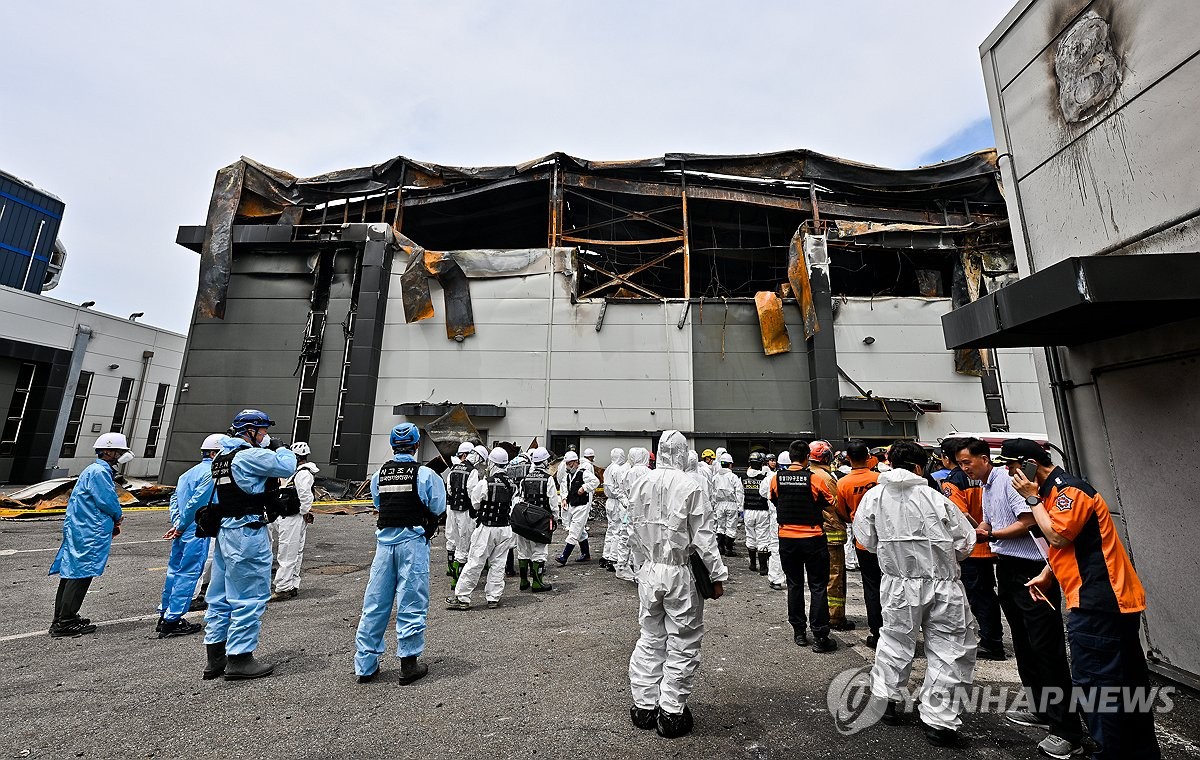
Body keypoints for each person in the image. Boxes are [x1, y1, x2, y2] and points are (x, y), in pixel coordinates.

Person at [1004, 439, 1159, 759]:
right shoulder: (1053, 494)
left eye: (1011, 465)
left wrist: (1031, 497)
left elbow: (1059, 535)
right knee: (1128, 687)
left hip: (1098, 602)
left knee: (1098, 690)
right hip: (1109, 600)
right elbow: (1072, 544)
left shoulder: (1067, 491)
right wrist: (1049, 573)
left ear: (1030, 465)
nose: (1009, 472)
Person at [957, 438, 1085, 758]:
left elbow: (1029, 522)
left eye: (966, 462)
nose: (963, 468)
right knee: (1025, 644)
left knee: (1046, 646)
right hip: (1009, 568)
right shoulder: (989, 485)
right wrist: (981, 529)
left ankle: (1067, 729)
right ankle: (1042, 709)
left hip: (1034, 568)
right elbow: (991, 520)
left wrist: (991, 535)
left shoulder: (1019, 485)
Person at [853, 440, 978, 748]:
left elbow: (865, 539)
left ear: (889, 462)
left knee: (895, 640)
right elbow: (965, 542)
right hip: (943, 585)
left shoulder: (874, 497)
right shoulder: (937, 498)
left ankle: (888, 701)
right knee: (950, 649)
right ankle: (940, 721)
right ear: (921, 466)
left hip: (898, 584)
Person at [171, 409, 297, 681]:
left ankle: (215, 658)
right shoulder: (250, 455)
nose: (265, 436)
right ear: (250, 430)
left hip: (226, 532)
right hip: (247, 532)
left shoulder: (221, 459)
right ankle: (240, 657)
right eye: (262, 430)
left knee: (219, 597)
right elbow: (287, 466)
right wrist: (282, 447)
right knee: (249, 595)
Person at [627, 430, 728, 739]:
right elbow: (704, 538)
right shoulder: (690, 484)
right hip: (680, 572)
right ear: (684, 453)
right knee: (682, 642)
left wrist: (639, 565)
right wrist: (717, 575)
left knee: (650, 637)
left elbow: (630, 528)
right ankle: (671, 712)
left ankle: (644, 706)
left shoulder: (640, 481)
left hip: (650, 570)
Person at [355, 423, 447, 684]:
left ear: (393, 446)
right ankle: (408, 664)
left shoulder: (379, 476)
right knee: (411, 602)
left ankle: (365, 665)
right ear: (417, 446)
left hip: (384, 546)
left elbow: (378, 503)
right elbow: (438, 507)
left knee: (374, 604)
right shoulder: (427, 475)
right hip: (413, 544)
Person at [48, 432, 132, 638]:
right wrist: (118, 515)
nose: (120, 456)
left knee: (71, 572)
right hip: (90, 530)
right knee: (81, 574)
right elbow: (107, 500)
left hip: (82, 527)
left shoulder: (94, 470)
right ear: (108, 451)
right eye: (119, 452)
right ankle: (65, 622)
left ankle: (62, 617)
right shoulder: (99, 472)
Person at [939, 437, 1004, 661]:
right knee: (989, 595)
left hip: (974, 547)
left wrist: (977, 533)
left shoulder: (953, 481)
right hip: (995, 544)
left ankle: (991, 642)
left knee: (979, 597)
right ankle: (992, 639)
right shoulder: (989, 477)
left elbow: (960, 515)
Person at [770, 440, 838, 653]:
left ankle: (799, 632)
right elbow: (830, 502)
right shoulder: (815, 479)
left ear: (790, 457)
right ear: (807, 457)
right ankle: (820, 634)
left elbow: (774, 500)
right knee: (818, 586)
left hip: (787, 539)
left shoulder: (776, 479)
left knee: (794, 584)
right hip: (813, 538)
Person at [156, 434, 222, 638]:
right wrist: (183, 525)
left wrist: (178, 524)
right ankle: (173, 620)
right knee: (188, 574)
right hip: (196, 530)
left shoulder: (187, 474)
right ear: (213, 453)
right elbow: (196, 503)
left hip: (184, 531)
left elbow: (175, 500)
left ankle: (164, 613)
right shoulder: (212, 473)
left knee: (174, 572)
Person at [447, 447, 517, 610]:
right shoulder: (512, 484)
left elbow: (475, 503)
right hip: (505, 528)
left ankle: (463, 597)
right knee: (498, 565)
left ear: (492, 463)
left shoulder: (485, 483)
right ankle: (493, 597)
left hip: (487, 527)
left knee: (475, 562)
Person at [837, 440, 882, 647]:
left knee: (871, 586)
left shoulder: (843, 483)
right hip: (888, 539)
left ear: (848, 458)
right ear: (868, 456)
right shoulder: (880, 479)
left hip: (863, 540)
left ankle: (877, 631)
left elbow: (843, 513)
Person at [810, 440, 853, 632]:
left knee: (819, 578)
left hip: (814, 533)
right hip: (832, 534)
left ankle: (822, 613)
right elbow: (837, 505)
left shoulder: (808, 473)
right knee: (835, 577)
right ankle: (835, 617)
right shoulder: (826, 478)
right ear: (826, 457)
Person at [269, 441, 318, 602]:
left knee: (287, 552)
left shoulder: (303, 473)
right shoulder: (297, 472)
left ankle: (283, 587)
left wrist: (304, 511)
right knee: (294, 551)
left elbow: (305, 496)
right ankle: (290, 584)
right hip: (292, 516)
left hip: (292, 517)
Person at [514, 447, 558, 592]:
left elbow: (520, 498)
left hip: (524, 519)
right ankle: (537, 583)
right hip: (540, 521)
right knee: (539, 551)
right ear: (545, 462)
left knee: (523, 550)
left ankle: (523, 581)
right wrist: (555, 518)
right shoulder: (548, 479)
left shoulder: (525, 479)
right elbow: (552, 501)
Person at [444, 443, 482, 586]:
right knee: (463, 543)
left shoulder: (453, 469)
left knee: (452, 538)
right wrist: (475, 508)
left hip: (452, 508)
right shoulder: (472, 471)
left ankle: (451, 568)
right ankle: (457, 579)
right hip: (465, 511)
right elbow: (473, 493)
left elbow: (449, 490)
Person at [615, 447, 652, 582]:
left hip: (629, 512)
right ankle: (642, 572)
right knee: (644, 540)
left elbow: (620, 491)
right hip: (645, 513)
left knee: (625, 537)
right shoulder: (650, 473)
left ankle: (622, 566)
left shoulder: (627, 473)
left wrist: (628, 503)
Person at [555, 450, 599, 564]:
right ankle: (586, 554)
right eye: (567, 463)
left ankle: (564, 556)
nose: (568, 466)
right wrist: (564, 498)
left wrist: (584, 488)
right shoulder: (569, 475)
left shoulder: (583, 473)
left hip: (582, 505)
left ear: (575, 462)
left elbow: (595, 481)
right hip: (573, 504)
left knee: (574, 531)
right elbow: (564, 487)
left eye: (569, 463)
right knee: (581, 531)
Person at [759, 451, 791, 590]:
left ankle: (776, 579)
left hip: (775, 517)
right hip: (792, 518)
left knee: (776, 548)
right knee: (792, 548)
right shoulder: (800, 477)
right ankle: (791, 578)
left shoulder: (771, 478)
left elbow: (762, 493)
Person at [741, 452, 772, 573]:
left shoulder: (743, 477)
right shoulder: (765, 478)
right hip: (763, 511)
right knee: (763, 538)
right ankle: (763, 568)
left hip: (748, 511)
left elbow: (740, 495)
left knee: (750, 537)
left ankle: (752, 564)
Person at [600, 447, 629, 572]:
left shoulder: (608, 468)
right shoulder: (617, 469)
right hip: (617, 502)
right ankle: (613, 558)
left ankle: (606, 555)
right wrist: (625, 501)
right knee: (618, 530)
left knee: (611, 529)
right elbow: (618, 488)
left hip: (609, 502)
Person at [710, 453, 743, 556]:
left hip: (719, 505)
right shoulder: (733, 477)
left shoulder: (715, 477)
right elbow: (739, 492)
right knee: (731, 527)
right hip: (731, 504)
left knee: (720, 526)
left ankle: (720, 548)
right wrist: (740, 507)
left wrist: (713, 505)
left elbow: (712, 492)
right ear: (730, 464)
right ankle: (729, 549)